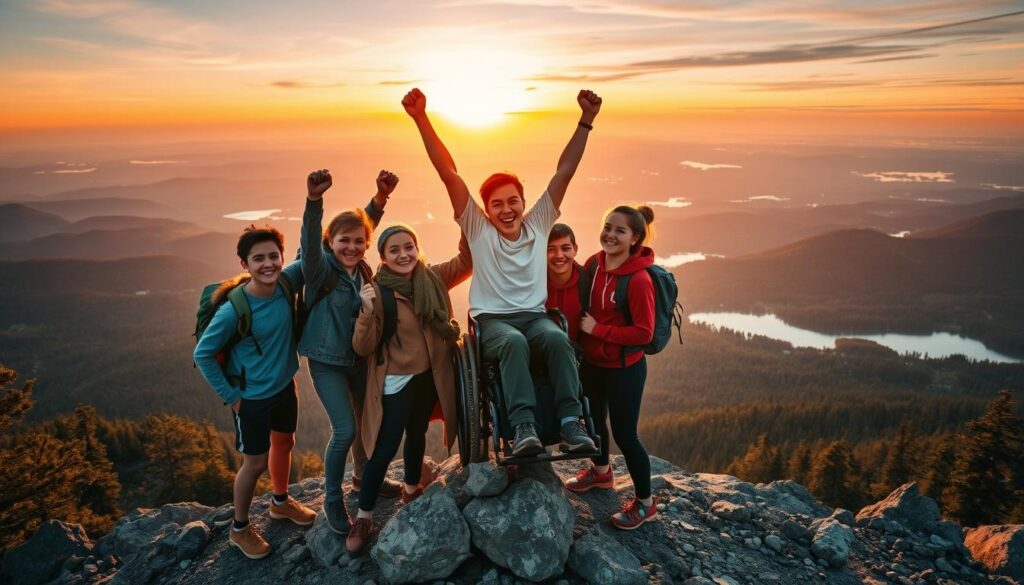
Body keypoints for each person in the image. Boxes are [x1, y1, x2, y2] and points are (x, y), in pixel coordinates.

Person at [403, 87, 601, 457]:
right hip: (493, 322)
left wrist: (586, 121)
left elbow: (565, 171)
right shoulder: (479, 231)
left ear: (525, 204)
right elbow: (449, 173)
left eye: (514, 202)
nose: (507, 210)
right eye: (497, 204)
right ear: (487, 210)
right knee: (514, 343)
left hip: (535, 317)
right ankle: (523, 424)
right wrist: (421, 118)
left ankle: (572, 422)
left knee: (558, 340)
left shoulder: (539, 224)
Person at [345, 224, 472, 553]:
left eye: (409, 247)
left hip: (430, 374)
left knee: (417, 433)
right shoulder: (380, 291)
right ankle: (363, 516)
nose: (404, 255)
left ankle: (412, 487)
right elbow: (363, 347)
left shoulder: (432, 277)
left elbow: (466, 260)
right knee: (383, 449)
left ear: (417, 248)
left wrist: (463, 219)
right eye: (394, 250)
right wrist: (367, 311)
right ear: (383, 257)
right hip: (397, 379)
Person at [194, 225, 317, 559]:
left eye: (273, 256)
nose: (268, 264)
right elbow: (202, 354)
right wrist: (232, 398)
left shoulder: (287, 281)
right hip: (251, 398)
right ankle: (240, 527)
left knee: (285, 443)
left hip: (283, 387)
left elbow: (311, 247)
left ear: (281, 256)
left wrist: (317, 200)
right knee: (255, 462)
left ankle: (280, 503)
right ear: (244, 264)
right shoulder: (234, 309)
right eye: (258, 258)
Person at [299, 169, 404, 536]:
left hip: (360, 359)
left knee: (365, 425)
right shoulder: (317, 269)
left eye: (359, 243)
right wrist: (314, 202)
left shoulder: (362, 269)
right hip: (326, 362)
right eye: (343, 241)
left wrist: (379, 199)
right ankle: (332, 499)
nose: (352, 247)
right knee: (344, 430)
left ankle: (362, 480)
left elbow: (362, 227)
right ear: (330, 242)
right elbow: (312, 242)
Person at [565, 205, 660, 530]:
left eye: (620, 230)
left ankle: (646, 504)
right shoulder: (594, 263)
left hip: (625, 369)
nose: (611, 234)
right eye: (608, 227)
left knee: (626, 434)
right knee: (594, 423)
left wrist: (598, 331)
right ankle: (602, 473)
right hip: (592, 363)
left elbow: (644, 333)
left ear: (635, 238)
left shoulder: (639, 280)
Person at [546, 223, 583, 342]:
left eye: (565, 248)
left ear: (575, 249)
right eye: (551, 249)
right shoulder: (532, 282)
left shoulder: (587, 281)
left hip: (578, 357)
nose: (559, 255)